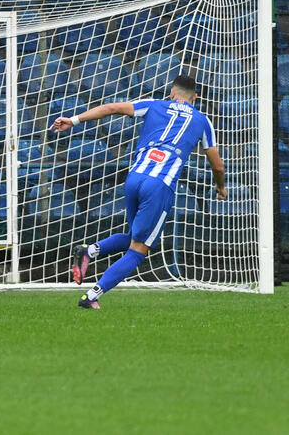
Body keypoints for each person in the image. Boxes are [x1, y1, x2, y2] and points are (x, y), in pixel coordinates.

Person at [51, 75, 226, 309]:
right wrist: (220, 186)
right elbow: (217, 165)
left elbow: (112, 107)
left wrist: (73, 120)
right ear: (195, 98)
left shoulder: (154, 104)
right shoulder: (202, 120)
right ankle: (91, 296)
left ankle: (89, 251)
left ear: (172, 93)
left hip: (134, 179)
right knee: (139, 250)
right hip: (159, 185)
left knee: (135, 235)